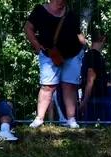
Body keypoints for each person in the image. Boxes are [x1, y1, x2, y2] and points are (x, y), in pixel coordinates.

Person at [25, 0, 85, 128]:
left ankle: (71, 119)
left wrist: (83, 45)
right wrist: (36, 45)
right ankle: (39, 119)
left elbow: (78, 33)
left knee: (70, 85)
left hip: (73, 54)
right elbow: (28, 28)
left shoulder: (70, 13)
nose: (62, 2)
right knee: (47, 86)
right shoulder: (40, 10)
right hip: (50, 55)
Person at [80, 32, 111, 123]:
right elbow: (91, 79)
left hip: (96, 97)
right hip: (94, 98)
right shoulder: (93, 55)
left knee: (90, 127)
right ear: (103, 39)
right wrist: (85, 101)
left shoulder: (92, 55)